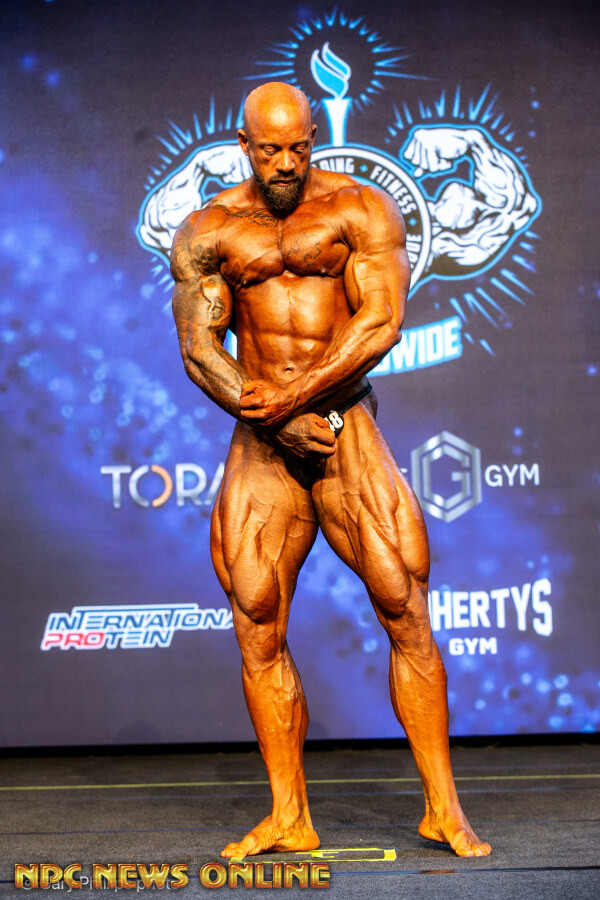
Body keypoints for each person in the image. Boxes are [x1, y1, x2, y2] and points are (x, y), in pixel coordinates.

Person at [170, 81, 491, 859]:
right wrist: (275, 414)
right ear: (243, 146)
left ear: (313, 138)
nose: (285, 164)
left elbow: (382, 322)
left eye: (298, 148)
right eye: (269, 150)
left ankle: (443, 809)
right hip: (263, 439)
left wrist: (295, 396)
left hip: (342, 425)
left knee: (403, 603)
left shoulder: (360, 209)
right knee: (256, 616)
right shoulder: (209, 229)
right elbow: (199, 349)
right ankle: (290, 816)